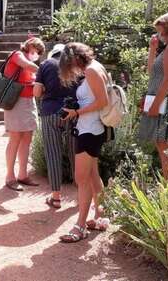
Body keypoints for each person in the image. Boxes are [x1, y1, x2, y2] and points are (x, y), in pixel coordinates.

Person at [58, 42, 110, 243]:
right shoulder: (97, 66)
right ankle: (100, 215)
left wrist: (77, 112)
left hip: (89, 129)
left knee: (81, 178)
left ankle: (80, 225)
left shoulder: (91, 71)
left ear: (74, 58)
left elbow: (102, 101)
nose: (70, 69)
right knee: (92, 175)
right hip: (91, 128)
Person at [138, 12, 168, 180]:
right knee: (163, 145)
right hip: (165, 101)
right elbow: (152, 72)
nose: (159, 35)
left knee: (166, 148)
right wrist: (152, 49)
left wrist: (154, 105)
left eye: (160, 31)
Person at [33, 44, 81, 208]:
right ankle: (80, 195)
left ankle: (56, 197)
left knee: (53, 153)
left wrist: (47, 89)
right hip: (72, 113)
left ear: (52, 53)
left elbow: (37, 93)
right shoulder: (75, 64)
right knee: (75, 152)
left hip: (50, 113)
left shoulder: (45, 65)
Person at [3, 37, 45, 191]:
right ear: (27, 47)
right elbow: (28, 65)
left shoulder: (32, 63)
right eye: (34, 50)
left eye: (38, 52)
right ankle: (9, 176)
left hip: (29, 101)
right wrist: (48, 69)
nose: (36, 54)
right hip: (15, 102)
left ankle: (22, 174)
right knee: (15, 138)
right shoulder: (17, 55)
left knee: (27, 138)